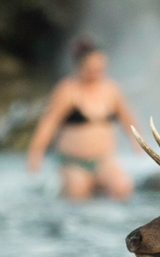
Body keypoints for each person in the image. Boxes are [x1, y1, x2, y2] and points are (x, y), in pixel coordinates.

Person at [26, 38, 139, 201]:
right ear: (80, 66)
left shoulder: (111, 90)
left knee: (123, 188)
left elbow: (129, 119)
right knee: (78, 193)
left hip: (104, 161)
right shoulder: (67, 90)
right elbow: (48, 124)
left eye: (99, 67)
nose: (96, 71)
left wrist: (138, 146)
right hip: (74, 163)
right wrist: (35, 154)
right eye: (91, 67)